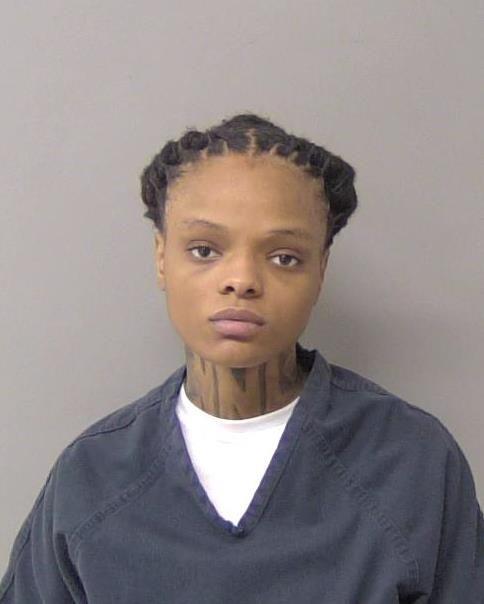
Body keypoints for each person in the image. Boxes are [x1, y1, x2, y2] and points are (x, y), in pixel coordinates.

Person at [1, 113, 482, 603]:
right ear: (161, 257)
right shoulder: (92, 477)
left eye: (284, 257)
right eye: (204, 250)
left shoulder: (411, 462)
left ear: (320, 270)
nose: (242, 280)